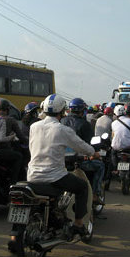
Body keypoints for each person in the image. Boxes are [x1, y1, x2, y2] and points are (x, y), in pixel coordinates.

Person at [28, 94, 99, 236]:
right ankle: (78, 224)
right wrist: (94, 153)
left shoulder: (34, 126)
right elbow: (82, 146)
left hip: (32, 175)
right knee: (82, 187)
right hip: (55, 176)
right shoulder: (62, 130)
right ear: (62, 111)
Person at [61, 98, 105, 204]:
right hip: (79, 161)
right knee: (100, 166)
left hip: (61, 161)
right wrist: (95, 152)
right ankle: (95, 194)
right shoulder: (84, 124)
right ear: (82, 110)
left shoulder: (61, 122)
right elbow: (90, 144)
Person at [111, 105, 130, 170]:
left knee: (112, 153)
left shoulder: (113, 123)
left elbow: (113, 136)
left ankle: (115, 169)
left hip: (116, 147)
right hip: (129, 146)